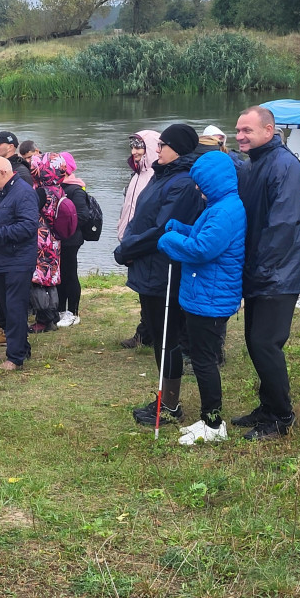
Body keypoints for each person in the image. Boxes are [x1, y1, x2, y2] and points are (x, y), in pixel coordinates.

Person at [114, 123, 203, 427]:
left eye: (164, 144)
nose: (158, 148)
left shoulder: (181, 182)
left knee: (167, 339)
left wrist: (128, 249)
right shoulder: (161, 174)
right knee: (159, 337)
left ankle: (171, 405)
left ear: (178, 148)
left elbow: (162, 228)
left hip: (163, 269)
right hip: (148, 267)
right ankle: (164, 397)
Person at [232, 105, 300, 440]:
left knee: (266, 343)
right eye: (237, 130)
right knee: (255, 341)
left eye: (247, 131)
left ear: (269, 131)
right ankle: (268, 405)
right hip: (259, 271)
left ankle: (281, 417)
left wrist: (259, 269)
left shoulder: (283, 165)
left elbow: (283, 225)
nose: (240, 136)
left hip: (278, 273)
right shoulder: (257, 163)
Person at [157, 151, 245, 445]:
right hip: (206, 293)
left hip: (211, 297)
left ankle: (213, 423)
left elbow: (202, 249)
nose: (198, 189)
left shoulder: (223, 211)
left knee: (204, 361)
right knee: (201, 356)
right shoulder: (222, 205)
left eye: (201, 183)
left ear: (213, 182)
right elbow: (201, 235)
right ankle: (210, 418)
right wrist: (180, 229)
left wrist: (170, 240)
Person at [0, 157, 39, 370]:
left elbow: (28, 227)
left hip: (17, 261)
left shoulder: (23, 193)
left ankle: (15, 358)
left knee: (15, 308)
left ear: (4, 172)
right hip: (0, 259)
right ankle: (20, 348)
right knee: (6, 308)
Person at [118, 130, 161, 349]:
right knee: (142, 291)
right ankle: (147, 333)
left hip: (144, 243)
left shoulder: (155, 177)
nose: (134, 152)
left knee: (149, 292)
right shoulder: (137, 175)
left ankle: (148, 333)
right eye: (133, 147)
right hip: (132, 241)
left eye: (139, 147)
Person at [28, 153, 65, 334]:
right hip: (55, 241)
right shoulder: (59, 189)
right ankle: (53, 316)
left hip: (41, 240)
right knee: (51, 279)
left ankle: (43, 319)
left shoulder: (41, 192)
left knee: (38, 280)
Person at [56, 153, 91, 328]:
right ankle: (61, 310)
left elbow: (83, 215)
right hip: (58, 239)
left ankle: (74, 312)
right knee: (60, 274)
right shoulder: (58, 187)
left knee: (70, 274)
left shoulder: (75, 189)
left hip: (71, 240)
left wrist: (64, 226)